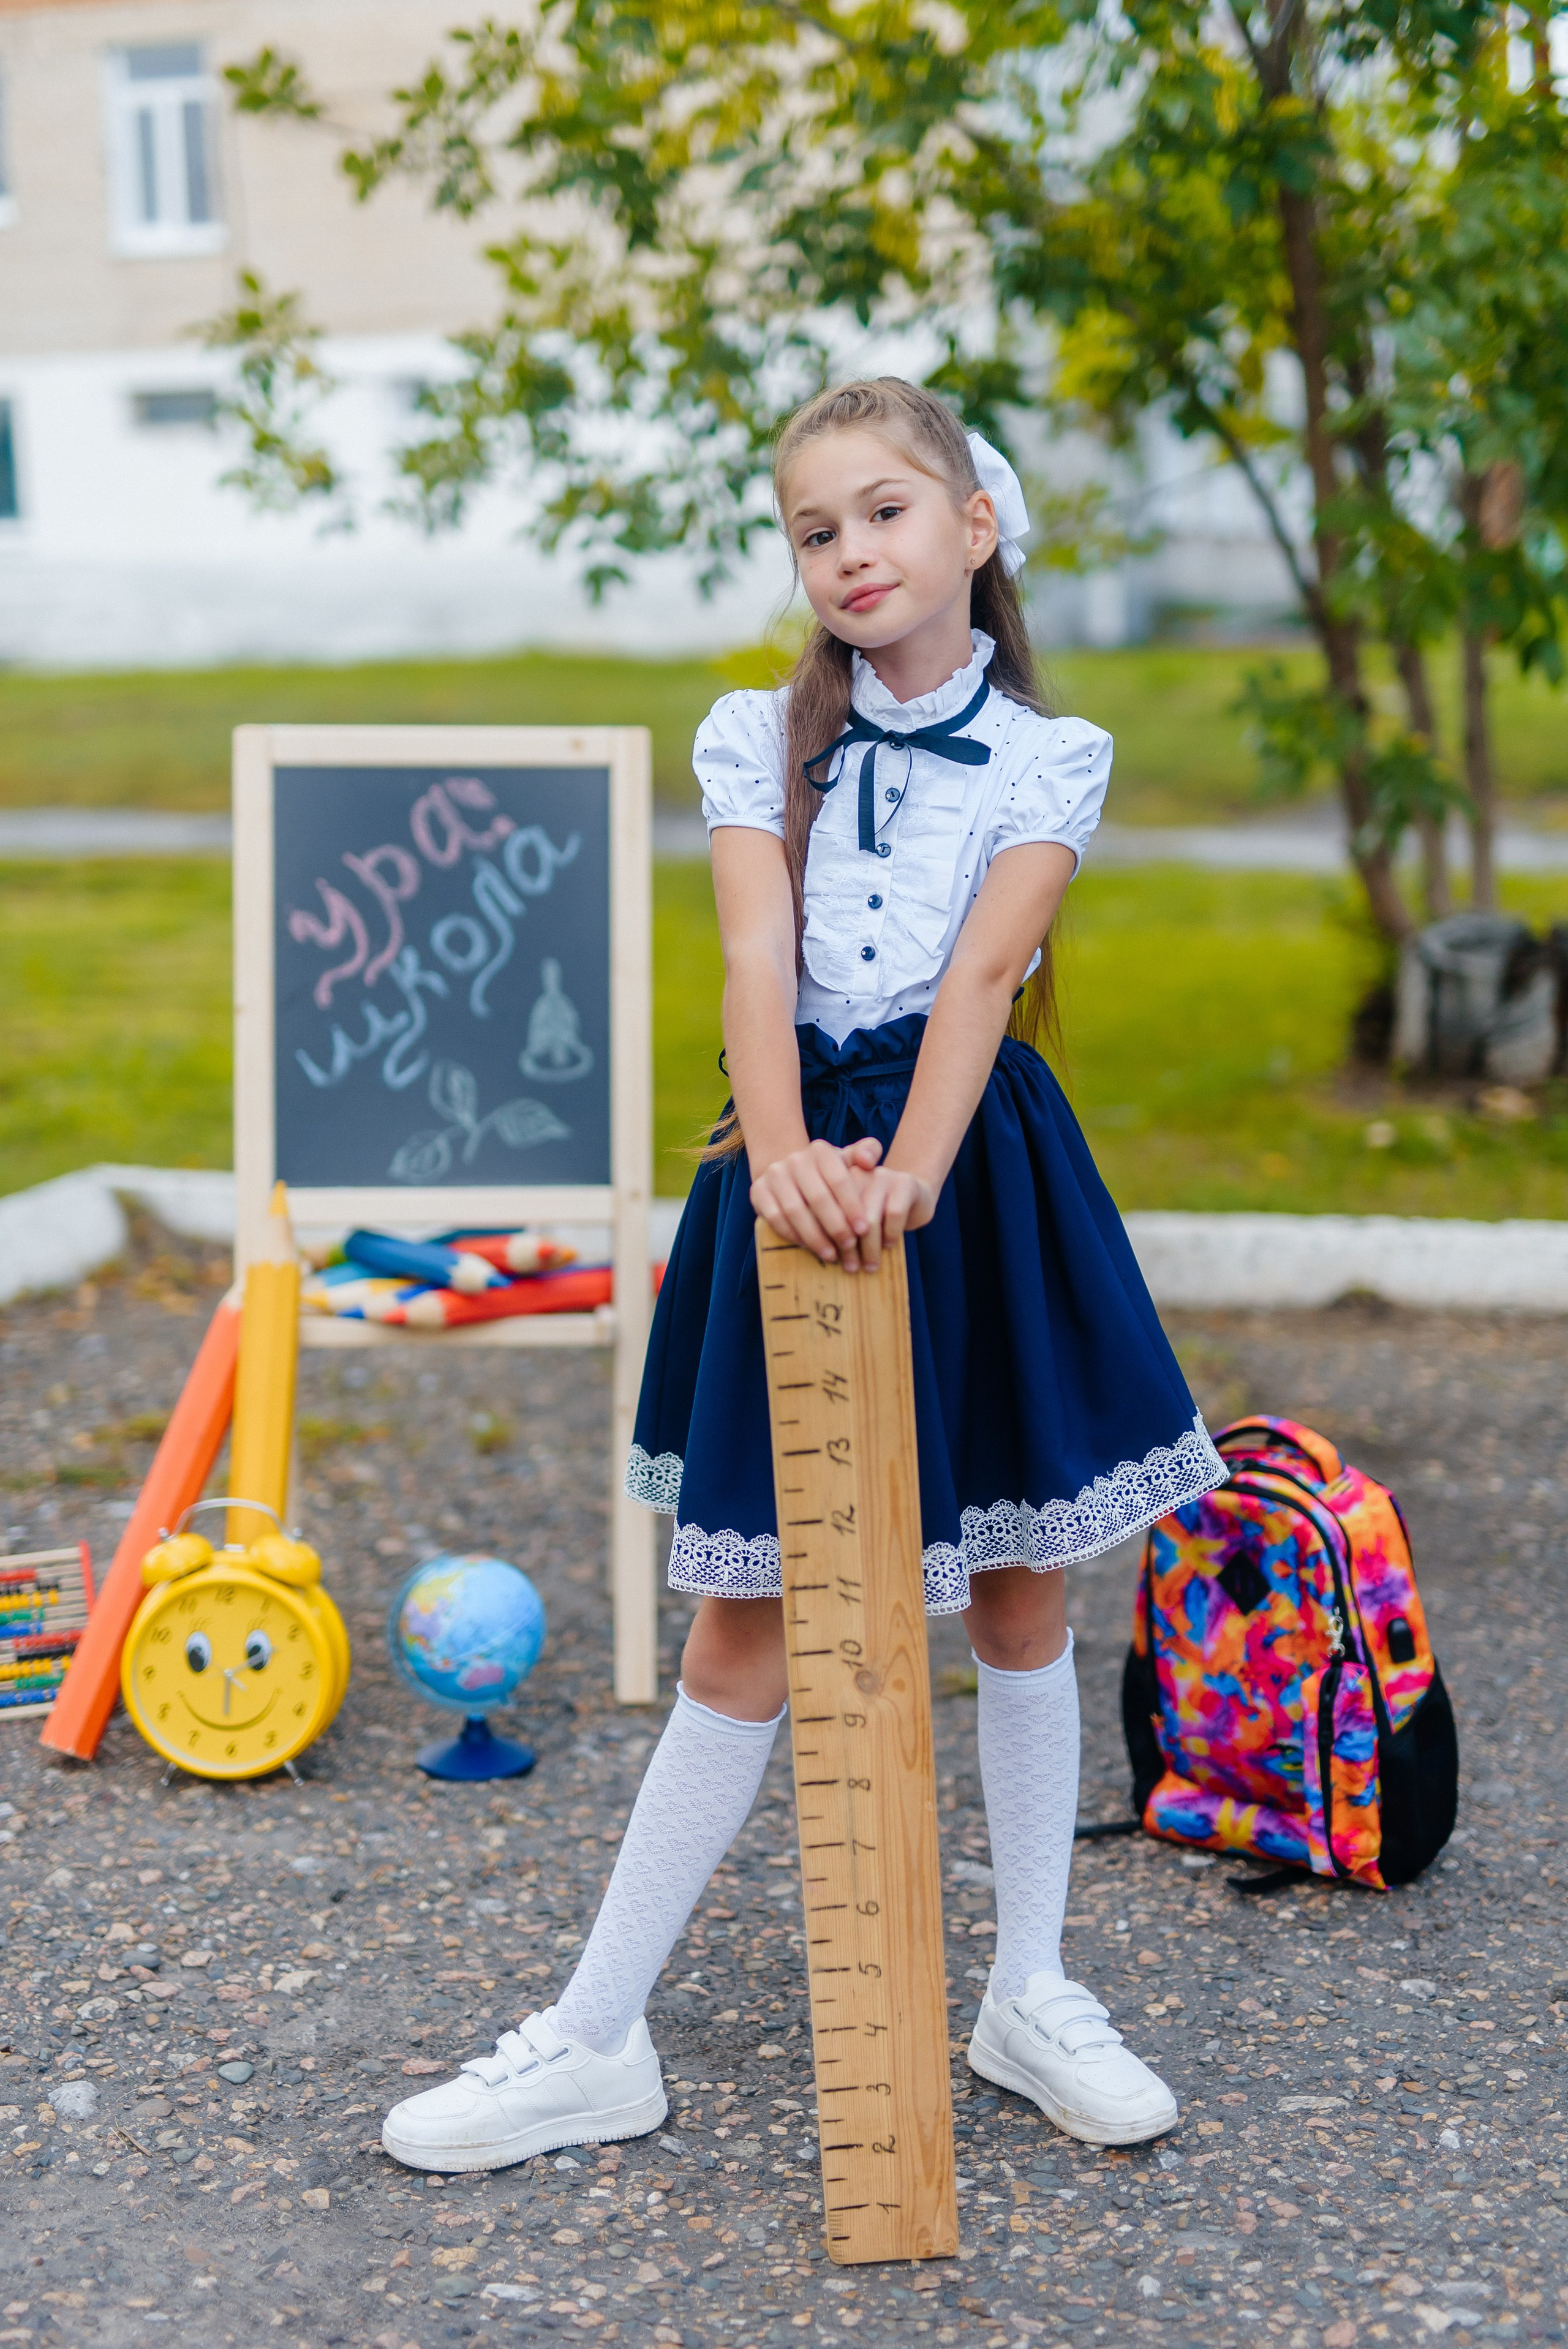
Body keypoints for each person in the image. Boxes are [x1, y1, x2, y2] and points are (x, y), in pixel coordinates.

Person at [382, 377, 1226, 2176]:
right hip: (796, 1167)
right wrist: (779, 1157)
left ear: (974, 531)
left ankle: (1032, 1988)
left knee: (1018, 1583)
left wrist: (913, 1168)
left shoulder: (1046, 756)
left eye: (886, 513)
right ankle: (596, 2033)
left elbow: (988, 979)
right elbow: (754, 954)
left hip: (972, 1171)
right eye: (814, 529)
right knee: (748, 1615)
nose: (850, 552)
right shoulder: (756, 736)